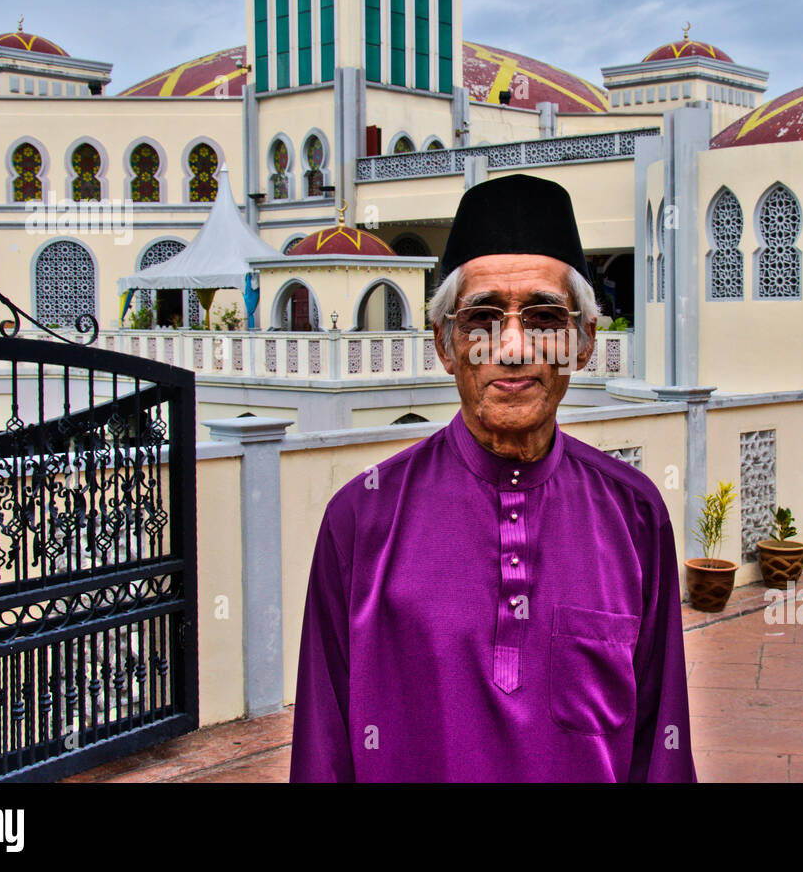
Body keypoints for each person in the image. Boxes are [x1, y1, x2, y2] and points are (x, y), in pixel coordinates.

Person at [288, 173, 696, 782]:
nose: (510, 346)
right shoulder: (362, 520)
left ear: (583, 342)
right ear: (446, 345)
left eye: (542, 316)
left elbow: (659, 754)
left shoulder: (634, 517)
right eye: (482, 317)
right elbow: (322, 753)